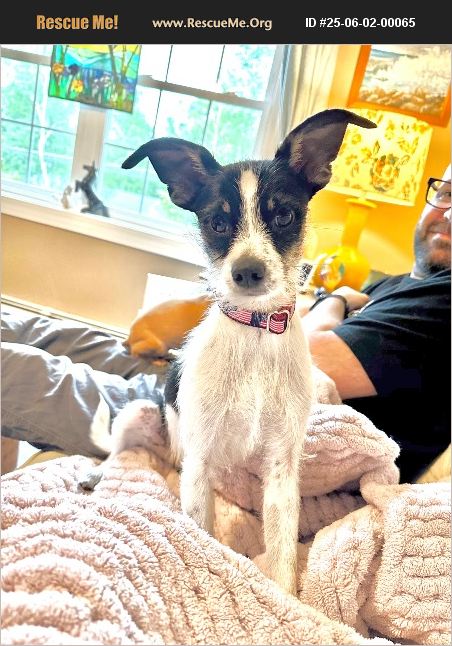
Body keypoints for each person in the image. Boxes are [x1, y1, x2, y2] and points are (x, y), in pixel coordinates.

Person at [1, 168, 450, 482]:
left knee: (14, 369)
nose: (447, 212)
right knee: (39, 331)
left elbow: (296, 353)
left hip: (212, 419)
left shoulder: (443, 300)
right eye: (445, 192)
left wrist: (334, 300)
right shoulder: (392, 284)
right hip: (203, 372)